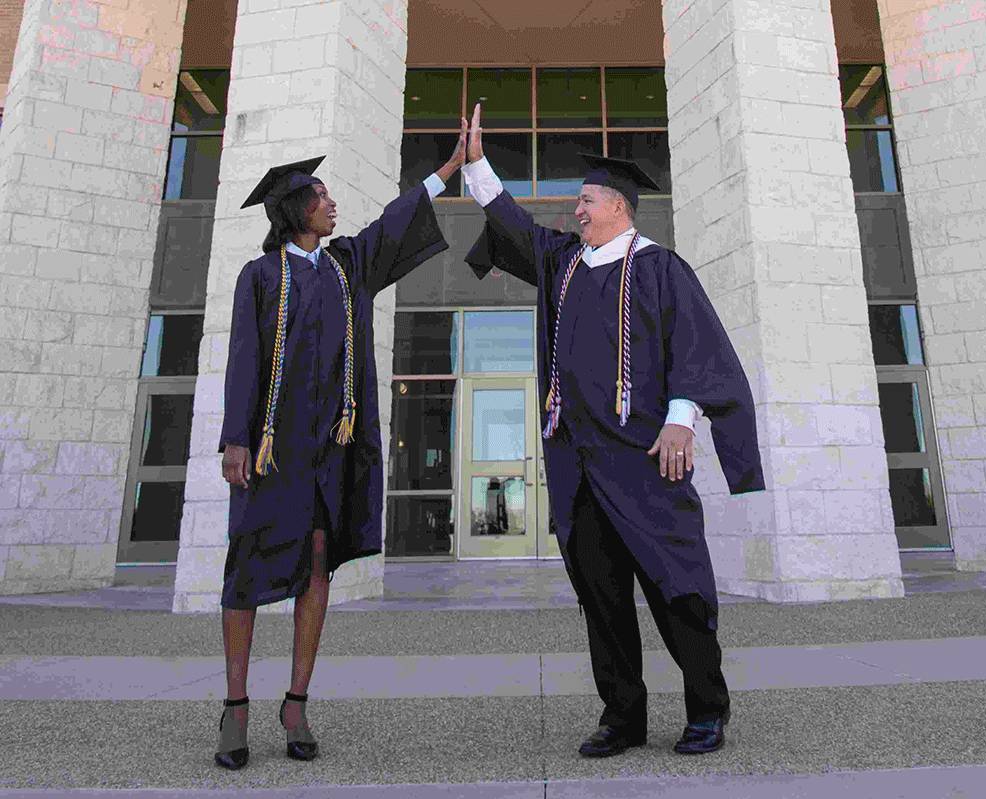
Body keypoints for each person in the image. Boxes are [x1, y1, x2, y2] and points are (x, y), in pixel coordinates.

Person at [462, 104, 765, 757]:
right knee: (602, 599)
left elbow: (699, 347)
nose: (577, 211)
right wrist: (477, 165)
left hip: (647, 462)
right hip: (579, 466)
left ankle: (707, 709)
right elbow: (513, 225)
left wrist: (683, 419)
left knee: (678, 589)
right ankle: (622, 715)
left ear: (621, 209)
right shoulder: (566, 263)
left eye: (588, 201)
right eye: (578, 202)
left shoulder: (661, 269)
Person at [213, 120, 467, 770]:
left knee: (319, 563)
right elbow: (244, 360)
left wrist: (448, 169)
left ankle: (295, 702)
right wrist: (235, 440)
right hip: (272, 452)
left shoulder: (348, 264)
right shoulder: (260, 276)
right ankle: (235, 706)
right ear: (298, 210)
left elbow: (393, 221)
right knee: (245, 570)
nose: (332, 204)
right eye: (322, 198)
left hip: (330, 449)